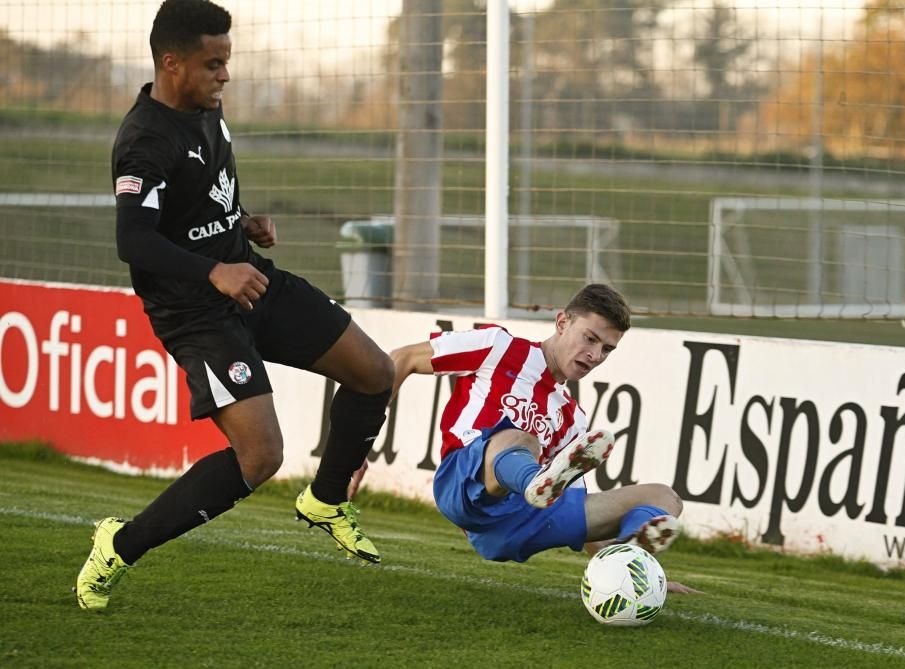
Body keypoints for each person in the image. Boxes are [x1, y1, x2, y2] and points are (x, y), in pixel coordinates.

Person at [75, 0, 394, 610]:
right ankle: (121, 545)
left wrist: (242, 225)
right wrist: (214, 269)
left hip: (250, 280)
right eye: (213, 63)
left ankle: (326, 500)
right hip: (196, 313)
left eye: (227, 61)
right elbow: (133, 240)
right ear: (172, 63)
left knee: (373, 373)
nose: (225, 75)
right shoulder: (144, 141)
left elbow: (197, 206)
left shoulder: (209, 112)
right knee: (262, 455)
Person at [390, 284, 699, 593]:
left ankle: (627, 561)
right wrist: (357, 442)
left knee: (664, 498)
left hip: (516, 524)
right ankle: (532, 480)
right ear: (562, 322)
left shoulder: (572, 418)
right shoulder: (499, 347)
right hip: (463, 486)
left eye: (606, 349)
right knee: (523, 440)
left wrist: (630, 568)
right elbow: (402, 358)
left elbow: (577, 507)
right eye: (590, 338)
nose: (594, 355)